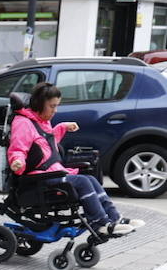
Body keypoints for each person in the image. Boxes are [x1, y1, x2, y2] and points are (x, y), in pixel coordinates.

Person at [8, 82, 142, 236]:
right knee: (83, 181)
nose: (55, 110)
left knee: (90, 179)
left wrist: (62, 127)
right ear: (39, 103)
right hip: (39, 177)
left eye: (56, 106)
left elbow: (46, 145)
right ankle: (100, 223)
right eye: (52, 106)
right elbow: (18, 147)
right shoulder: (23, 123)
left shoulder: (40, 121)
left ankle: (115, 218)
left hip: (51, 172)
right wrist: (17, 161)